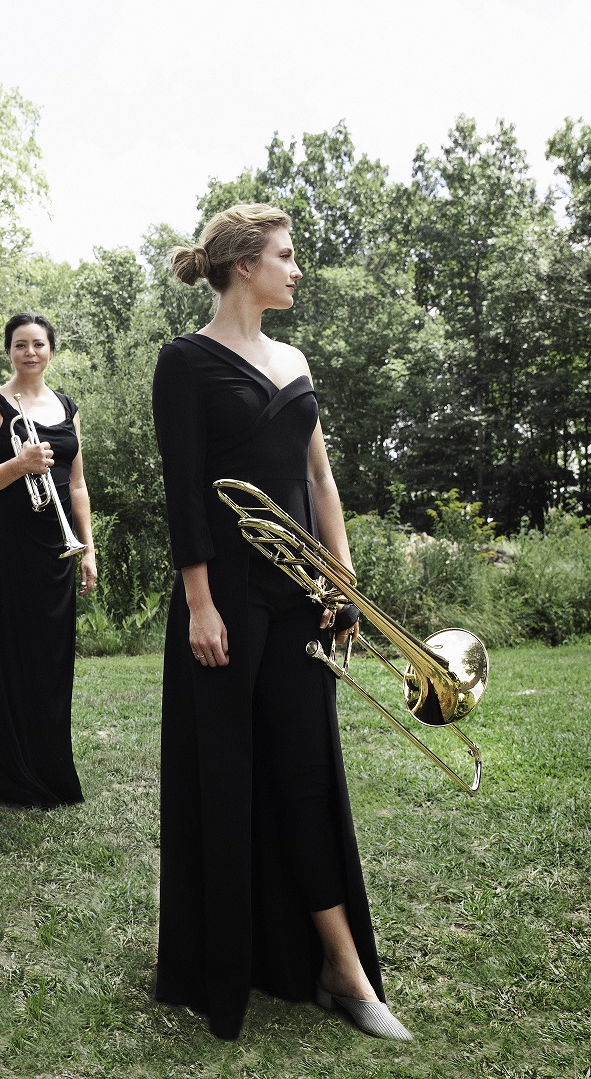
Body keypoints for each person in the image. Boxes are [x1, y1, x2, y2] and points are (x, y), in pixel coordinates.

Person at [150, 203, 411, 1041]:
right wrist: (199, 601)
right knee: (227, 776)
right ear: (242, 266)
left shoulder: (294, 357)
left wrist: (346, 582)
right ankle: (221, 960)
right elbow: (185, 490)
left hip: (302, 595)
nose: (298, 270)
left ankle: (342, 966)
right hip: (223, 597)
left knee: (306, 773)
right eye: (287, 257)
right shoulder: (184, 362)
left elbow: (320, 479)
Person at [0, 313, 96, 808]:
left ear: (51, 350)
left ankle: (52, 770)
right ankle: (14, 778)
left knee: (53, 660)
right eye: (20, 345)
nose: (30, 352)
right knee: (14, 658)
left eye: (38, 344)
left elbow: (78, 484)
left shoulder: (67, 407)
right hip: (13, 546)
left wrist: (88, 547)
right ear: (9, 352)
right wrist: (20, 464)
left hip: (59, 548)